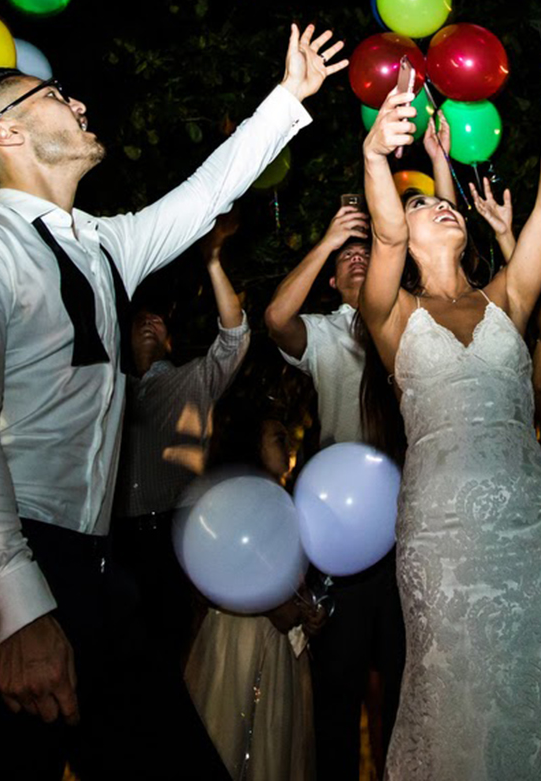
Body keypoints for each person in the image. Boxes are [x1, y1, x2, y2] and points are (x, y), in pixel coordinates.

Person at [0, 25, 344, 780]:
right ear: (7, 131)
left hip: (98, 576)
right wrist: (18, 607)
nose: (76, 100)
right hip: (6, 576)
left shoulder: (106, 244)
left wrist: (288, 98)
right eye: (54, 95)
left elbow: (206, 193)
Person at [357, 24, 541, 780]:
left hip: (531, 517)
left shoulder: (508, 297)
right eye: (426, 209)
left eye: (442, 207)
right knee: (461, 692)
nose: (439, 210)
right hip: (442, 527)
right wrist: (376, 155)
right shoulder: (390, 315)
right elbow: (385, 231)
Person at [266, 201, 407, 781]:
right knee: (337, 689)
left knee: (406, 684)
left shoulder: (405, 318)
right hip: (342, 539)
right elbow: (276, 317)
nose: (357, 256)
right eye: (346, 257)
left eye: (364, 251)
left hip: (407, 531)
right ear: (331, 277)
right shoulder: (323, 333)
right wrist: (327, 240)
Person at [115, 219, 254, 665]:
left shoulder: (191, 379)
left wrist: (211, 259)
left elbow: (234, 339)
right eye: (141, 320)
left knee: (171, 661)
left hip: (175, 540)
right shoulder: (105, 392)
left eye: (159, 320)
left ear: (171, 339)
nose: (151, 321)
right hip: (115, 544)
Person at [182, 401, 325, 780]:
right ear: (252, 445)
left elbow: (291, 576)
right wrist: (268, 608)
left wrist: (308, 610)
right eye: (278, 439)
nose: (289, 449)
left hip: (282, 652)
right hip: (238, 643)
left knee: (276, 743)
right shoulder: (231, 500)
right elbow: (211, 574)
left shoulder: (289, 505)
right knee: (234, 736)